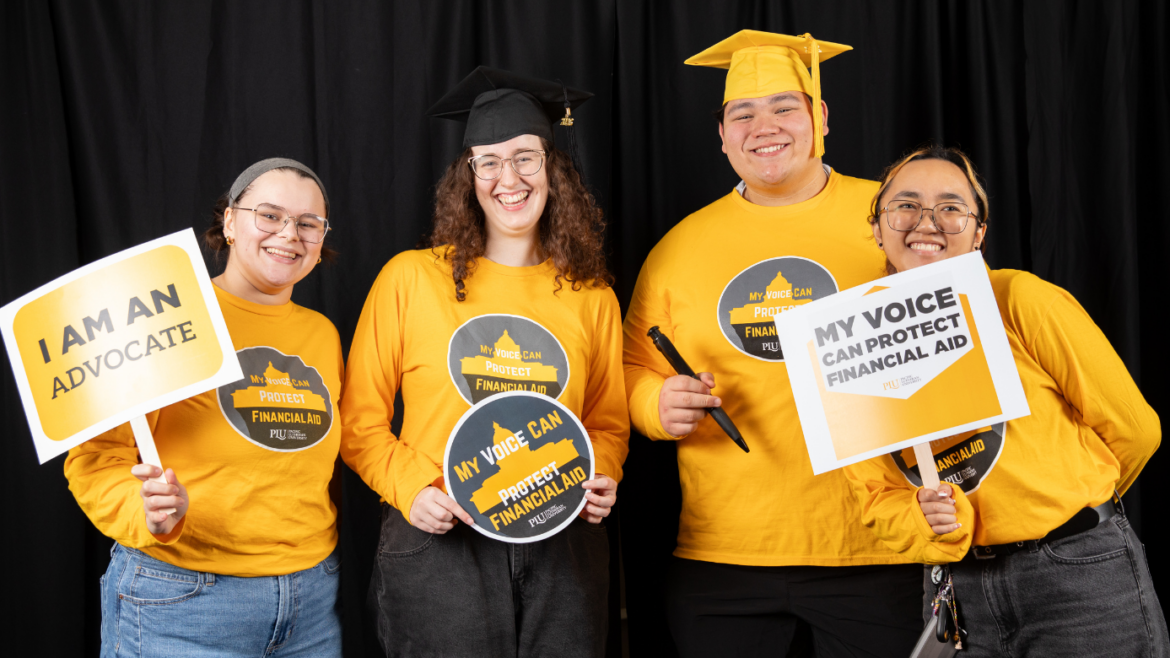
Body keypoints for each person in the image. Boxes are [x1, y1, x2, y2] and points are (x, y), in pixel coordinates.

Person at [622, 30, 923, 656]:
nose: (765, 126)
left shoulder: (892, 216)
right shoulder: (679, 248)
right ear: (723, 133)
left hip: (880, 541)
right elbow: (628, 370)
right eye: (743, 113)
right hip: (723, 554)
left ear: (821, 118)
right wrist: (657, 404)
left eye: (786, 106)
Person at [341, 67, 629, 657]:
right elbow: (358, 421)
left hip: (561, 537)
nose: (509, 178)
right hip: (441, 539)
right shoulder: (410, 278)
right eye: (489, 161)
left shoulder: (590, 294)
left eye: (525, 157)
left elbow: (607, 421)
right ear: (467, 175)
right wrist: (411, 488)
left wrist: (603, 472)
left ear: (553, 167)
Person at [843, 145, 1168, 656]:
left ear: (978, 233)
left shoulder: (1020, 300)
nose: (926, 222)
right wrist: (921, 519)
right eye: (905, 205)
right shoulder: (847, 343)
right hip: (957, 592)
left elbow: (1134, 430)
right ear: (878, 227)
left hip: (1079, 582)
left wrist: (1065, 510)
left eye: (951, 208)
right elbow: (874, 496)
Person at [64, 157, 344, 657]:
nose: (289, 234)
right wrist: (145, 512)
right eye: (270, 215)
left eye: (308, 223)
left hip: (311, 603)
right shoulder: (163, 319)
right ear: (230, 222)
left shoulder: (322, 334)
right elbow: (94, 457)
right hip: (184, 601)